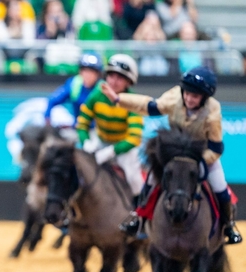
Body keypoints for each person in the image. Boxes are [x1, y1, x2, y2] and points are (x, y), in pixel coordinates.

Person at [101, 66, 242, 244]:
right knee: (150, 181)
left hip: (202, 155)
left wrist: (198, 162)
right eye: (187, 93)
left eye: (195, 96)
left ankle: (228, 225)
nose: (189, 99)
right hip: (174, 153)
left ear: (205, 97)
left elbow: (216, 148)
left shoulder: (212, 113)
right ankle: (138, 217)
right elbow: (149, 106)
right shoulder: (175, 97)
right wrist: (118, 99)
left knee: (220, 188)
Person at [75, 54, 145, 200]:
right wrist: (86, 142)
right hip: (99, 142)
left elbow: (134, 139)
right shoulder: (96, 96)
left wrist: (112, 151)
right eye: (111, 76)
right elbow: (82, 124)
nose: (114, 81)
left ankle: (137, 208)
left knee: (134, 179)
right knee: (78, 169)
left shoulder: (133, 102)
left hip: (123, 149)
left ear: (129, 81)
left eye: (120, 78)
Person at [44, 52, 102, 126]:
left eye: (91, 72)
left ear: (98, 74)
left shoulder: (103, 88)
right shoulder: (74, 84)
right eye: (85, 71)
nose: (87, 75)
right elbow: (52, 101)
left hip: (98, 130)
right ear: (80, 72)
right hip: (77, 128)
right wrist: (47, 121)